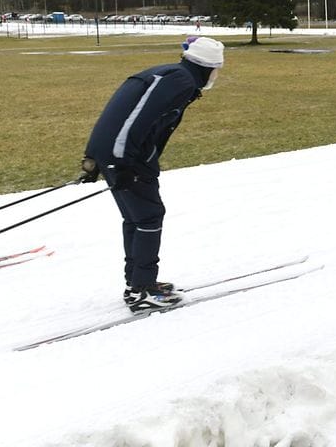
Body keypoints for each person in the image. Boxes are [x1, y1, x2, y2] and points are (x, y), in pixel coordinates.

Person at [78, 36, 225, 313]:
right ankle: (143, 289)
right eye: (217, 70)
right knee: (148, 216)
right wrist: (120, 163)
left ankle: (136, 283)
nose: (216, 76)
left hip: (119, 154)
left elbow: (120, 113)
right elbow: (136, 118)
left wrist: (96, 156)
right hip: (128, 158)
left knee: (137, 217)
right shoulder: (179, 81)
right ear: (207, 67)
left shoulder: (171, 74)